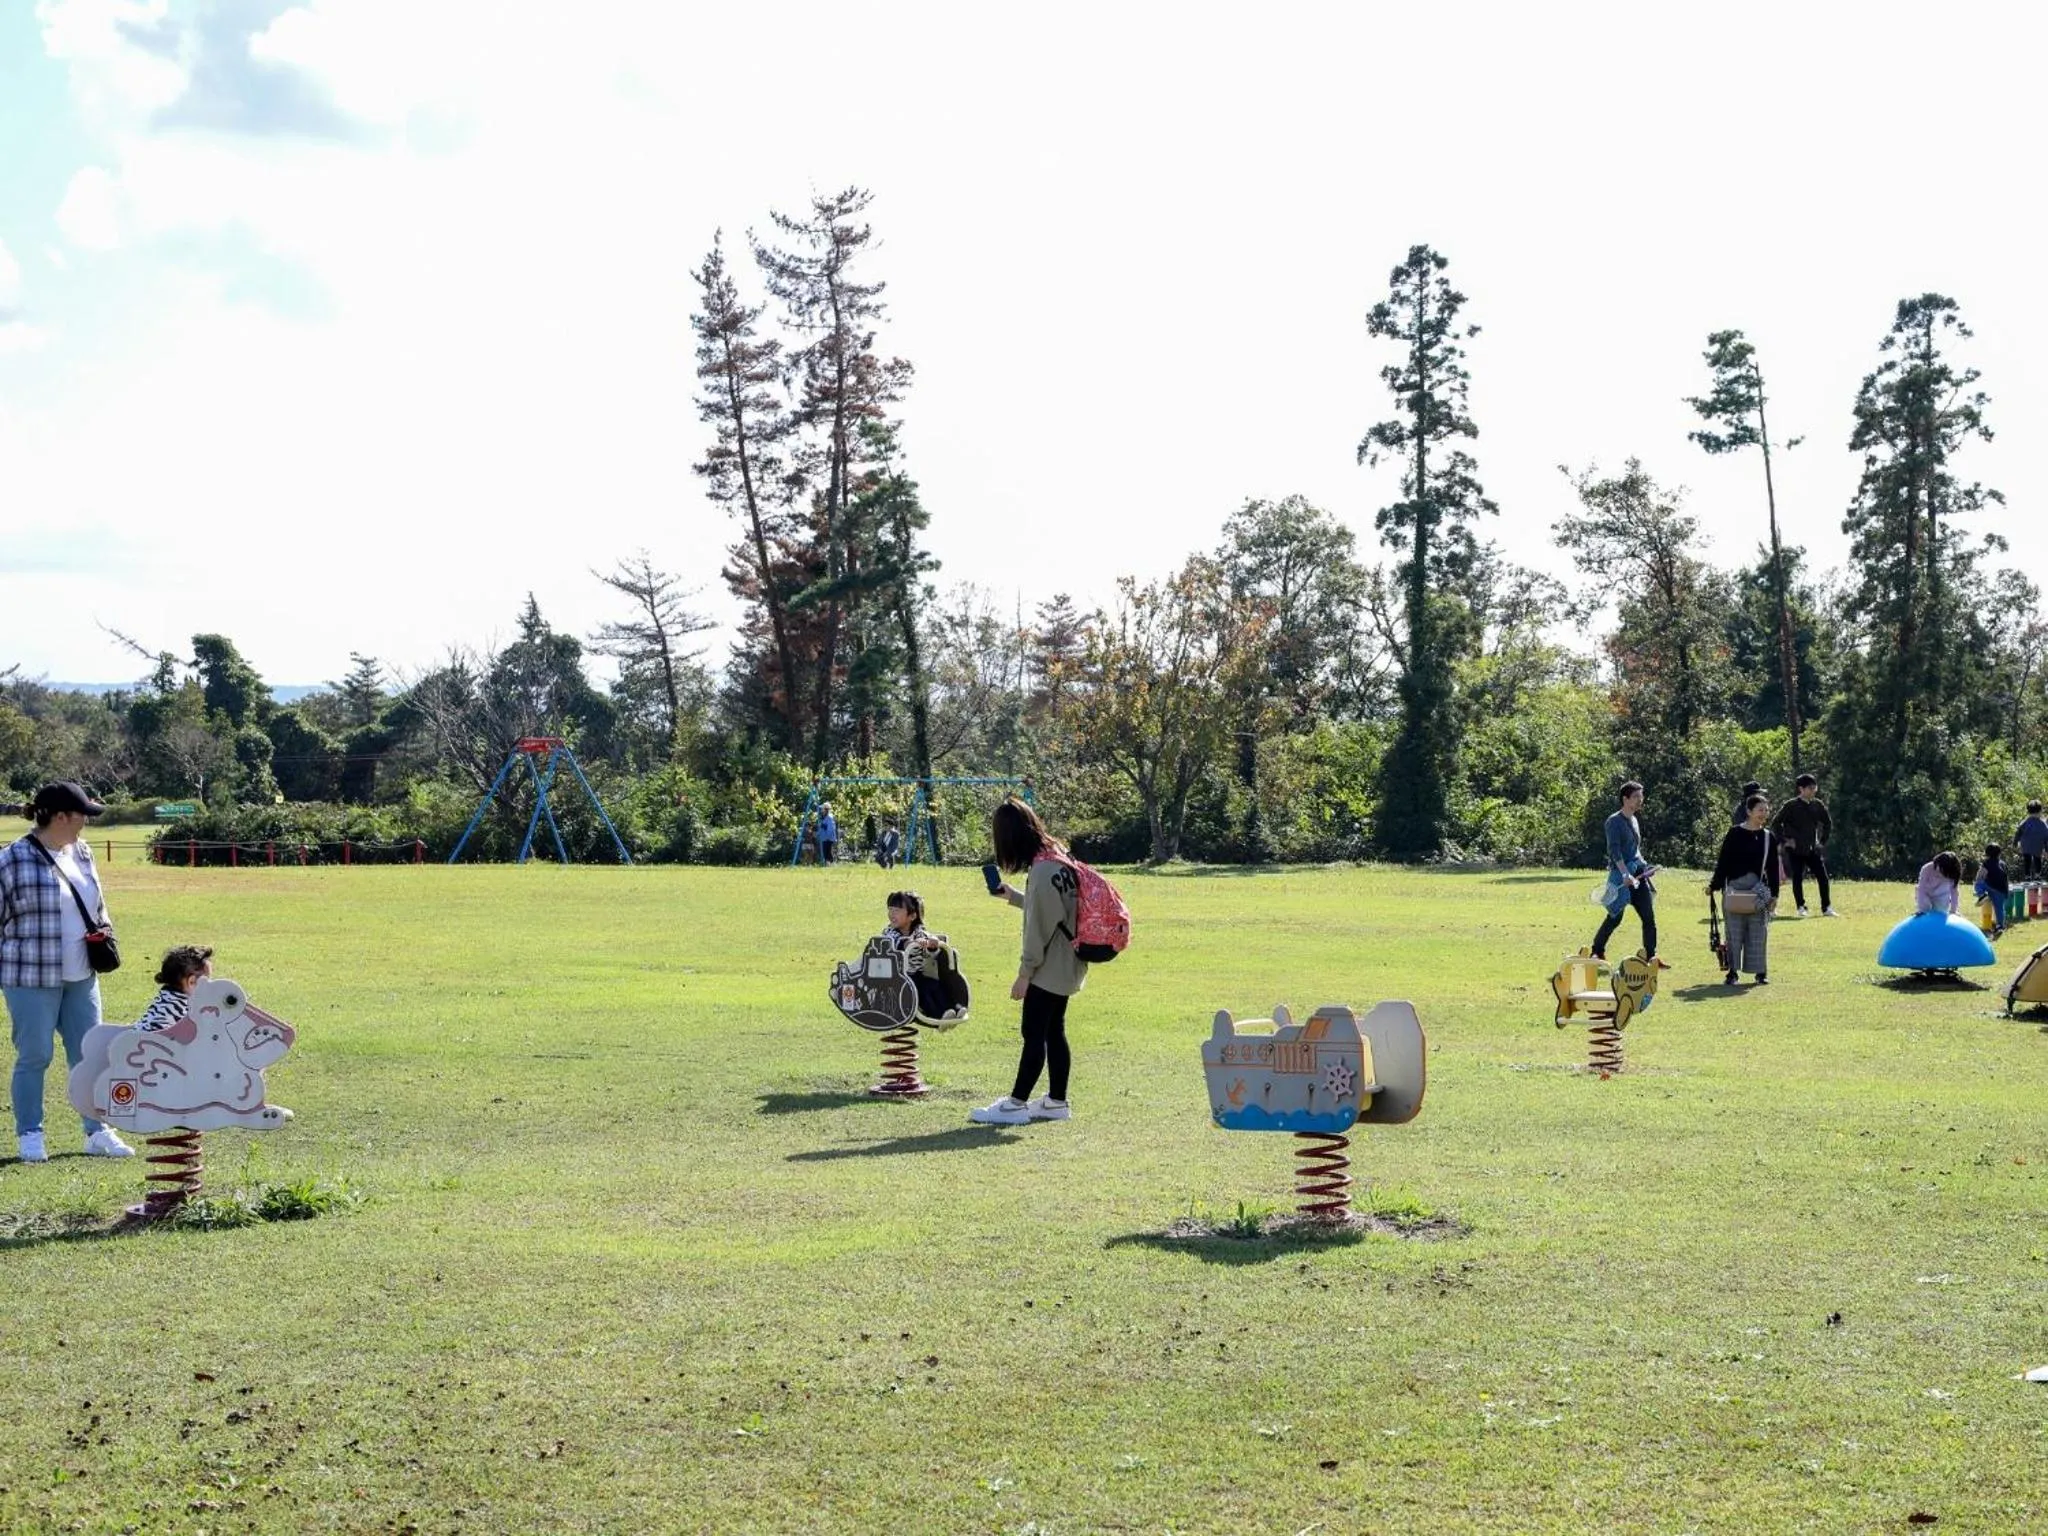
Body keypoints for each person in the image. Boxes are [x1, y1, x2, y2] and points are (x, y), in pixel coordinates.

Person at [0, 782, 133, 1163]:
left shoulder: (84, 852)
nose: (85, 824)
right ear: (60, 817)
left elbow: (97, 904)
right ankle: (30, 1134)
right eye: (82, 816)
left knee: (91, 1054)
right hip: (30, 978)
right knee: (34, 1055)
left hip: (82, 976)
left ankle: (97, 1130)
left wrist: (103, 933)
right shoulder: (11, 860)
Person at [970, 797, 1087, 1126]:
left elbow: (1040, 928)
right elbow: (1053, 911)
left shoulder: (1042, 869)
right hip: (1070, 960)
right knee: (1053, 1030)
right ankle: (1056, 1102)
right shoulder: (1058, 855)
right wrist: (1014, 898)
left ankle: (1016, 1105)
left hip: (1049, 964)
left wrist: (1025, 974)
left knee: (1033, 1031)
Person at [1709, 793, 1781, 984]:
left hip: (1758, 890)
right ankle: (1732, 973)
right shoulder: (1734, 833)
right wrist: (1714, 885)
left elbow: (1773, 868)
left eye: (1766, 810)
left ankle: (1760, 973)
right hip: (1734, 889)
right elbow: (1723, 861)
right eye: (1760, 810)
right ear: (1749, 811)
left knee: (1759, 932)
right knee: (1733, 932)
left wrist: (1774, 895)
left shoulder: (1768, 837)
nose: (1764, 813)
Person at [1592, 781, 1660, 963]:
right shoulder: (1613, 821)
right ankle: (1597, 951)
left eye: (1641, 796)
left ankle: (1651, 957)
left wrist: (1644, 867)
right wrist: (1625, 874)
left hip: (1638, 875)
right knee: (1615, 917)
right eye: (1636, 796)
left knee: (1648, 917)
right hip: (1621, 877)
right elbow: (1614, 851)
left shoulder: (1634, 819)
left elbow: (1634, 849)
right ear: (1625, 799)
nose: (1640, 800)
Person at [880, 892, 960, 1022]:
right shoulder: (889, 932)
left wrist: (932, 943)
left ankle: (952, 1009)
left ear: (912, 916)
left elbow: (929, 943)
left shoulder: (919, 931)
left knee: (935, 985)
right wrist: (909, 943)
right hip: (897, 979)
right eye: (890, 909)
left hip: (916, 974)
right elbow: (898, 942)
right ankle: (936, 1016)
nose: (891, 914)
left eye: (897, 910)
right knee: (921, 991)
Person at [1771, 772, 1838, 918]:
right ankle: (1801, 907)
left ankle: (1826, 907)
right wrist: (1785, 840)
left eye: (1815, 787)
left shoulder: (1817, 805)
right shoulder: (1791, 805)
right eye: (1810, 788)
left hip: (1812, 848)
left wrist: (1822, 841)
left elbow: (1827, 823)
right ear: (1801, 789)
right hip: (1795, 849)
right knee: (1797, 878)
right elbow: (1776, 823)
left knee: (1823, 877)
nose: (1813, 790)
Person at [137, 945, 214, 1032]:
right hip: (154, 1043)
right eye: (207, 981)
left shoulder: (165, 997)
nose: (209, 986)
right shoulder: (183, 1006)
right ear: (191, 982)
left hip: (135, 1039)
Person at [1974, 845, 2011, 938]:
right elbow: (2006, 878)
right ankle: (2000, 926)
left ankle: (1982, 895)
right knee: (1999, 909)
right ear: (1999, 853)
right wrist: (2006, 891)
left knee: (1978, 883)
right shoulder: (2003, 863)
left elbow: (1980, 875)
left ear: (1987, 853)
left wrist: (1979, 883)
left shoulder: (1987, 863)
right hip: (2002, 890)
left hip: (1991, 887)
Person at [1913, 851, 1962, 916]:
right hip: (1926, 893)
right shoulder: (1927, 868)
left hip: (1942, 895)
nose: (1938, 870)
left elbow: (1954, 892)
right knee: (1925, 907)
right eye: (1938, 866)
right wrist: (1921, 909)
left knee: (1940, 912)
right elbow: (1921, 889)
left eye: (1942, 870)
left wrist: (1953, 910)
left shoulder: (1951, 874)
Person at [2016, 801, 2048, 882]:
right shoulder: (2042, 823)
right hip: (2037, 846)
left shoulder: (2026, 822)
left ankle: (2028, 876)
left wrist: (2016, 842)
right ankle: (2036, 875)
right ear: (2040, 811)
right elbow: (2046, 836)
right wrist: (2046, 848)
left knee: (2028, 860)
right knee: (2037, 860)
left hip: (2026, 845)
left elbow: (2019, 831)